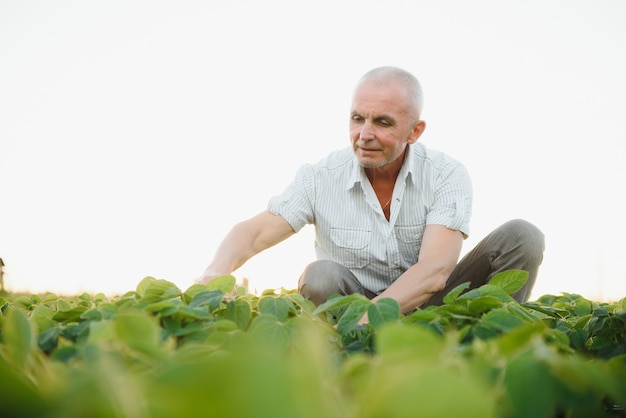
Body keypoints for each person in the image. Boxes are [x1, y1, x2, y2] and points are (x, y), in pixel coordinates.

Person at [197, 66, 545, 318]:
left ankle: (490, 348)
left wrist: (372, 319)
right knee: (322, 275)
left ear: (414, 131)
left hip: (435, 309)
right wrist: (216, 271)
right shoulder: (320, 177)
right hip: (351, 312)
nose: (364, 134)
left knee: (522, 236)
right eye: (357, 118)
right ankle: (341, 358)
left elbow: (436, 270)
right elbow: (253, 232)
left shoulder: (446, 174)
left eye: (382, 122)